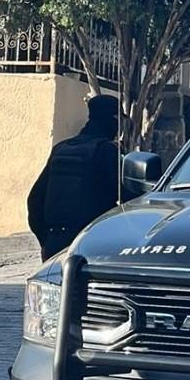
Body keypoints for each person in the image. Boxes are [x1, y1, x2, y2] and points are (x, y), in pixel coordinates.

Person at [28, 95, 121, 260]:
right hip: (92, 242)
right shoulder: (107, 152)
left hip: (55, 243)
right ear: (113, 119)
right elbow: (127, 200)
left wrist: (46, 240)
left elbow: (34, 200)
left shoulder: (61, 148)